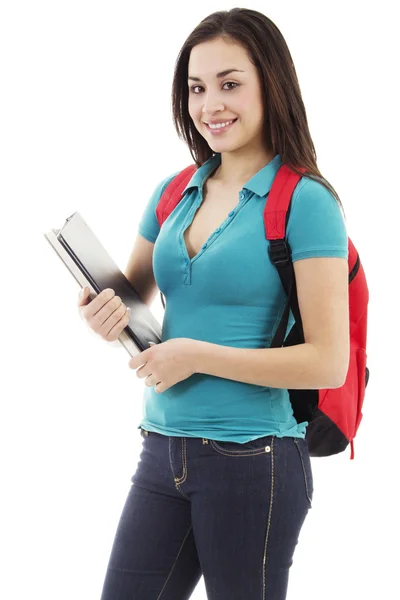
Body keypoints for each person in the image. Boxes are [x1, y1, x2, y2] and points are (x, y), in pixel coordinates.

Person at [78, 8, 349, 600]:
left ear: (270, 84)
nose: (210, 106)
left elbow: (330, 362)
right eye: (197, 88)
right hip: (162, 448)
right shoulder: (176, 190)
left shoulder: (307, 202)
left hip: (255, 461)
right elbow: (134, 295)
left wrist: (197, 355)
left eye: (230, 84)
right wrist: (104, 313)